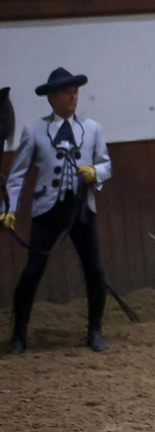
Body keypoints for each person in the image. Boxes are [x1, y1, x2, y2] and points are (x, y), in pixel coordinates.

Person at [4, 69, 114, 355]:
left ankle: (95, 330)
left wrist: (95, 172)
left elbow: (106, 165)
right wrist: (8, 208)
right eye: (67, 92)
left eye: (75, 91)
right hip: (48, 209)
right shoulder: (34, 131)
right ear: (52, 98)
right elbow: (18, 175)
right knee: (33, 271)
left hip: (81, 208)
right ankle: (19, 334)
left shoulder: (92, 128)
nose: (74, 96)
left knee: (95, 270)